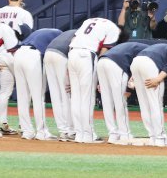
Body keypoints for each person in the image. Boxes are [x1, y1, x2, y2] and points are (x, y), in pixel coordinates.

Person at [67, 15, 123, 143]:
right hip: (86, 55)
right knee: (87, 97)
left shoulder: (89, 21)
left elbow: (74, 38)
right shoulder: (113, 28)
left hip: (72, 53)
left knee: (76, 96)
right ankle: (88, 134)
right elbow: (105, 51)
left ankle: (79, 134)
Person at [0, 0, 35, 135]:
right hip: (17, 53)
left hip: (2, 53)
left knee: (4, 91)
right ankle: (23, 126)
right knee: (25, 91)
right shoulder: (24, 14)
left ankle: (3, 124)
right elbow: (27, 35)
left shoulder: (0, 12)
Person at [97, 39, 152, 146]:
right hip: (116, 63)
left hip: (102, 62)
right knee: (120, 102)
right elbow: (136, 69)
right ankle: (125, 134)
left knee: (107, 102)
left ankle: (113, 134)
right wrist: (128, 89)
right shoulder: (149, 52)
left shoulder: (135, 46)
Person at [129, 43, 167, 147]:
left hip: (135, 62)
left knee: (144, 104)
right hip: (150, 64)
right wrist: (158, 79)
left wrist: (133, 75)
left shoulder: (163, 47)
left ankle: (153, 136)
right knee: (155, 104)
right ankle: (160, 138)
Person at [12, 28, 62, 141]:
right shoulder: (60, 34)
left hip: (18, 54)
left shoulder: (43, 31)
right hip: (33, 55)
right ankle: (42, 132)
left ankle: (27, 131)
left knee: (22, 97)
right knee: (38, 96)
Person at [42, 30, 77, 141]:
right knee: (66, 94)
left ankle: (62, 131)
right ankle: (71, 131)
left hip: (48, 54)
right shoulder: (81, 34)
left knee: (55, 95)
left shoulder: (67, 32)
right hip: (62, 56)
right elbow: (72, 47)